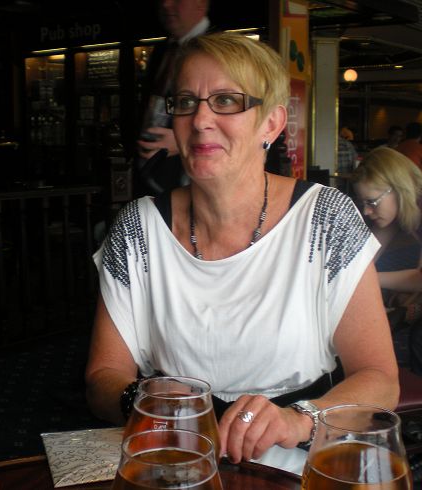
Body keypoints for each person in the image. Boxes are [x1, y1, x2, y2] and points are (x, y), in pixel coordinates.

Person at [85, 32, 399, 476]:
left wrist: (297, 421)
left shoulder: (326, 218)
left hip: (297, 467)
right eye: (186, 102)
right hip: (174, 462)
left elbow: (380, 378)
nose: (200, 120)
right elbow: (102, 378)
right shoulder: (137, 228)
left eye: (227, 101)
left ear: (271, 124)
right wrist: (142, 398)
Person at [350, 146, 422, 374]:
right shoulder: (398, 208)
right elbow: (365, 259)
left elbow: (420, 279)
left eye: (372, 202)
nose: (366, 211)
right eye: (363, 203)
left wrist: (366, 280)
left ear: (397, 189)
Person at [135, 0, 211, 196]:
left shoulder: (216, 50)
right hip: (150, 174)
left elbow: (232, 119)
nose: (166, 5)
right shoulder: (164, 49)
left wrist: (184, 140)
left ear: (200, 4)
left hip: (193, 182)